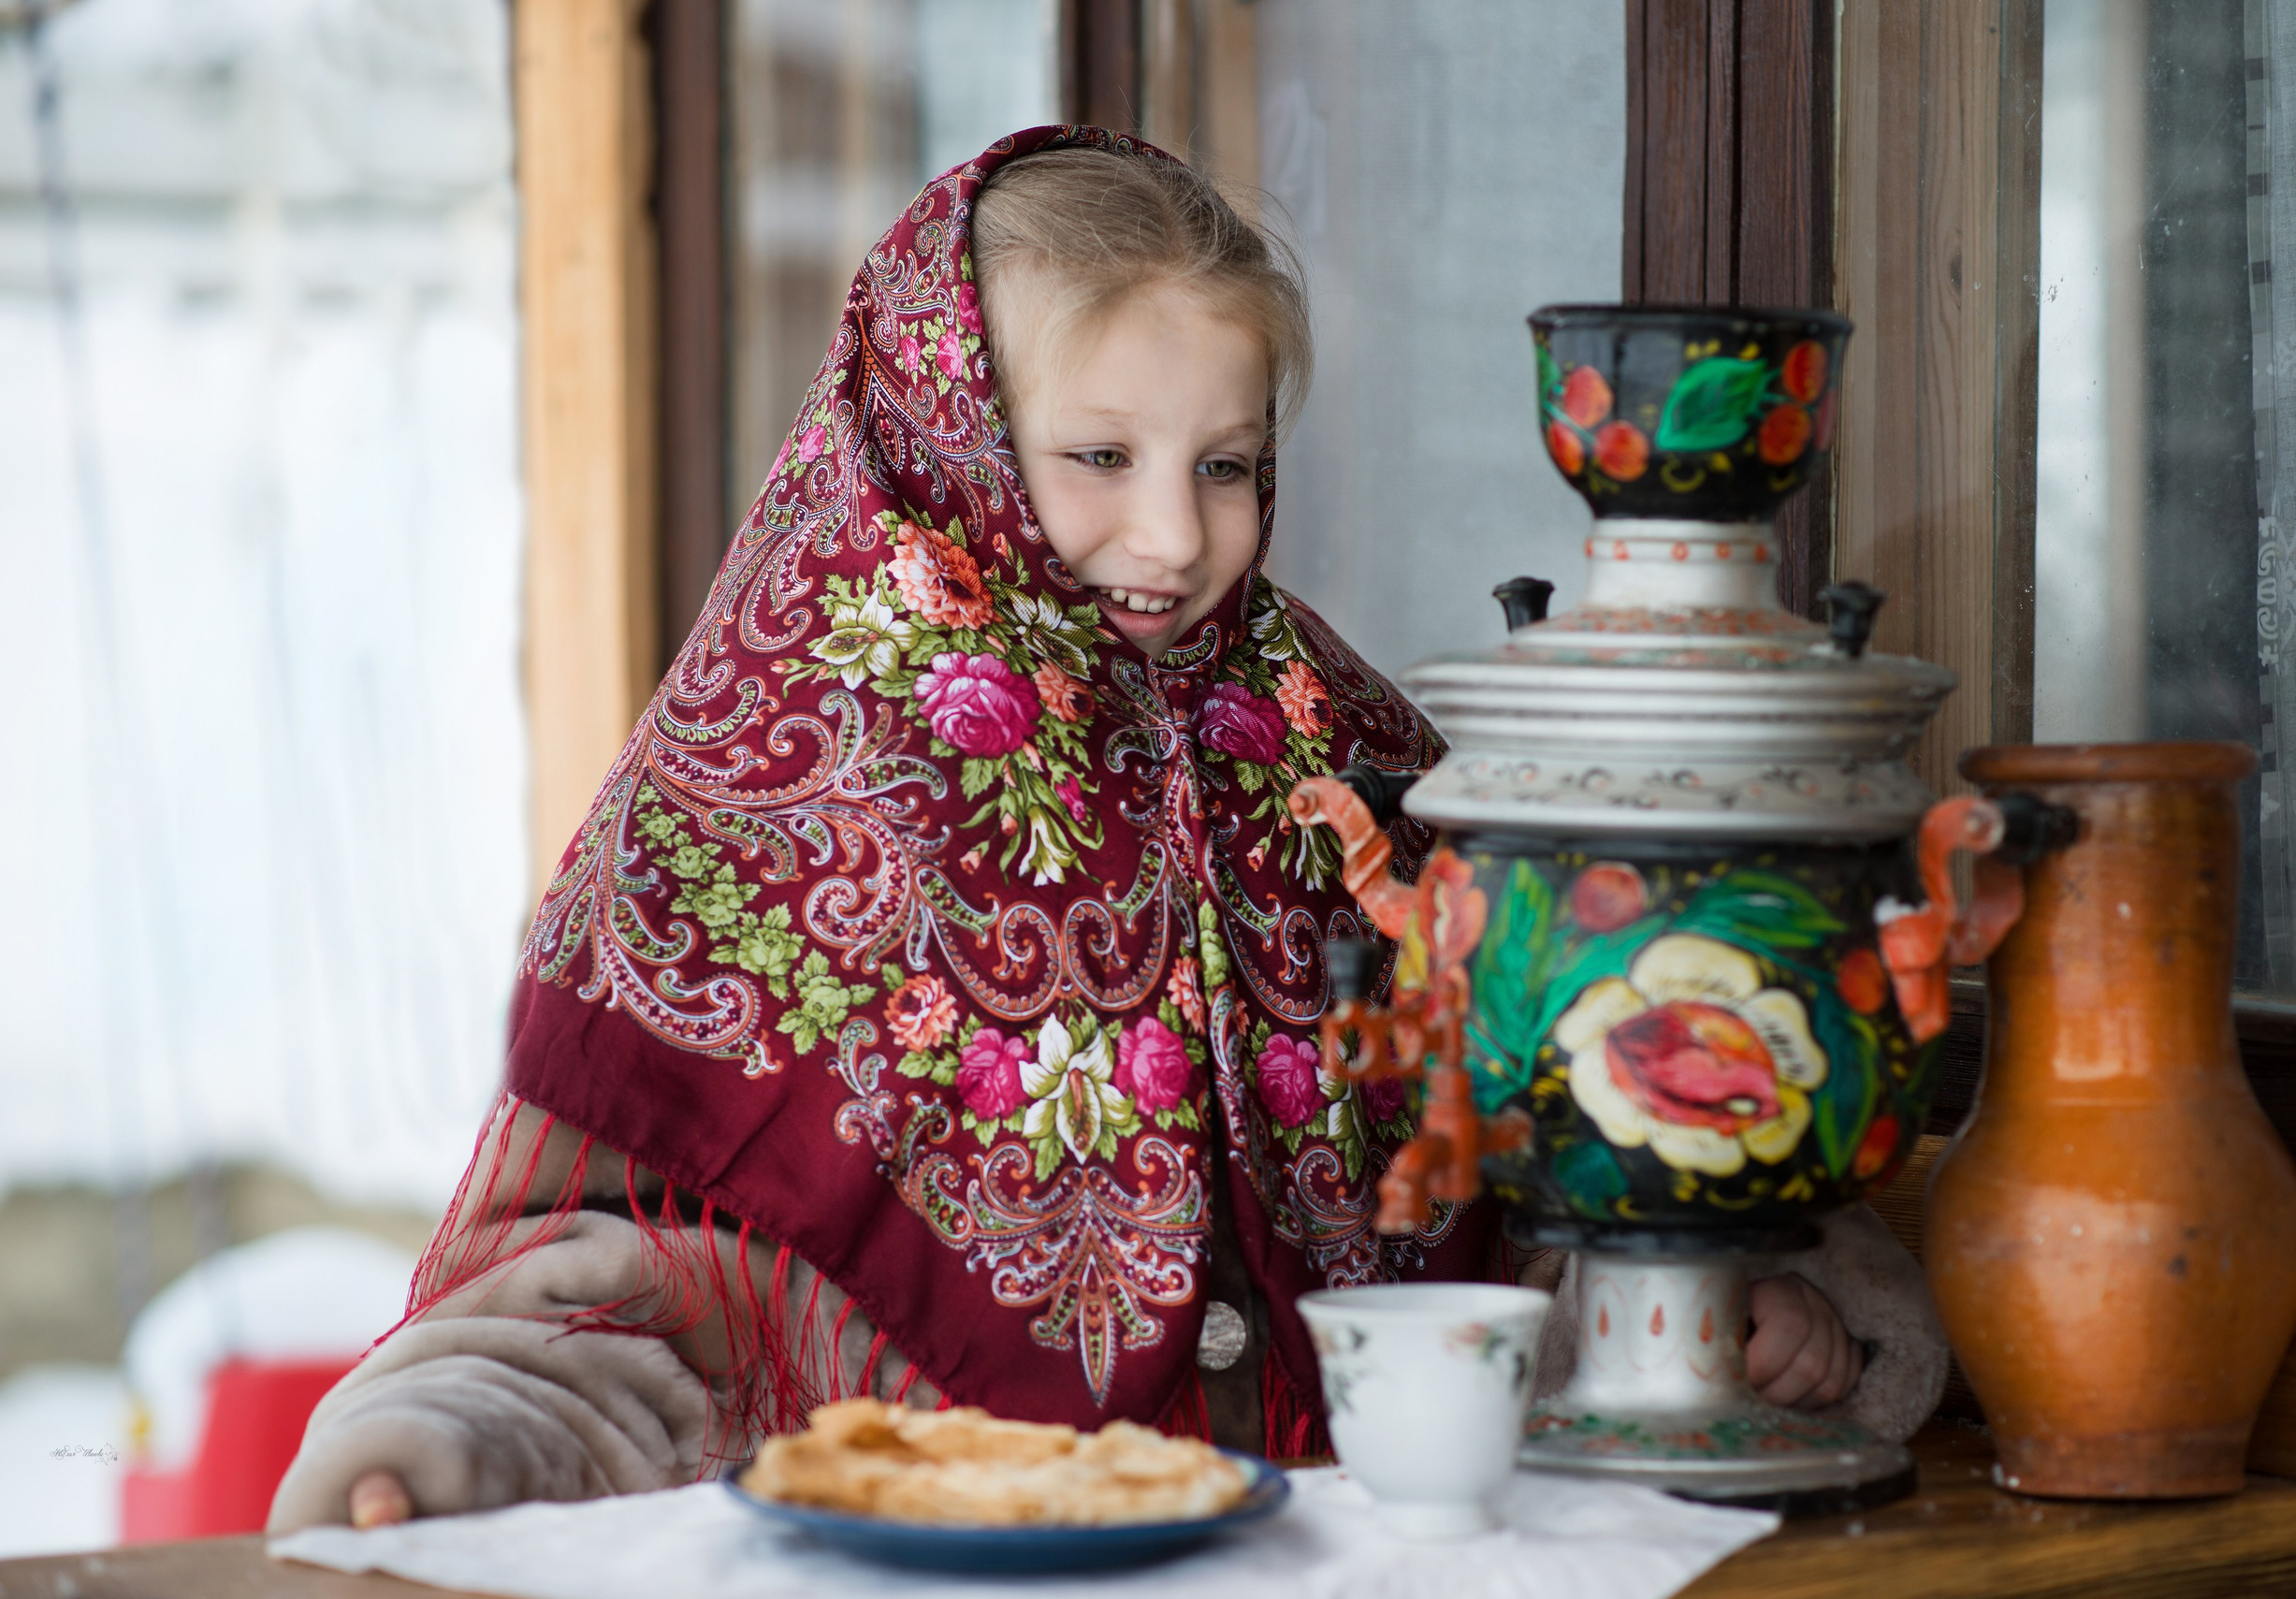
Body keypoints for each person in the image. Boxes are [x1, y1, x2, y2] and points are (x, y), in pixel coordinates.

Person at [268, 127, 1943, 1534]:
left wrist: (1702, 1314)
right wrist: (476, 1436)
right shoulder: (775, 753)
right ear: (942, 428)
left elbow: (1530, 1103)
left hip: (1356, 1546)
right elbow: (615, 1253)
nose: (1173, 535)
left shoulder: (1337, 736)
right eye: (1097, 455)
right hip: (922, 1546)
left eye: (1228, 464)